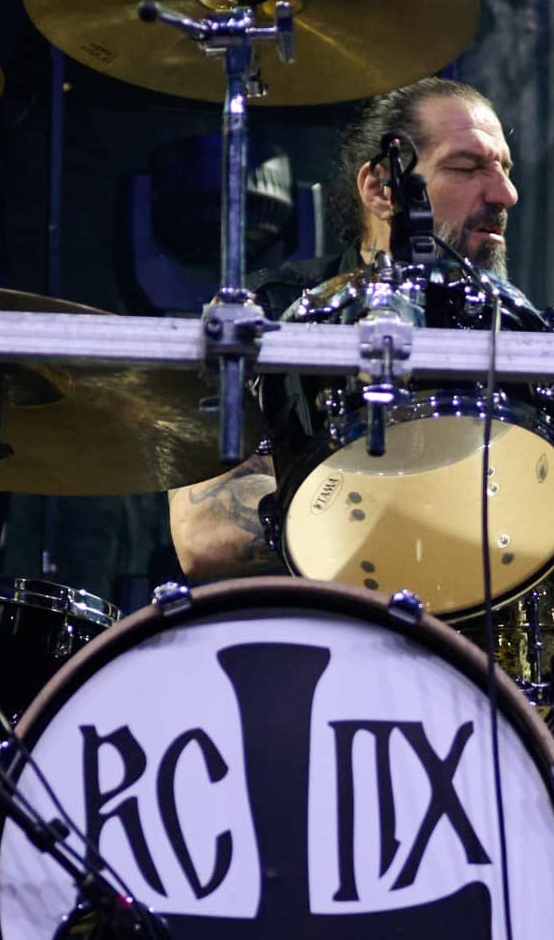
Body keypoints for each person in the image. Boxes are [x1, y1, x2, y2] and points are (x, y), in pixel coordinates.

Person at [167, 75, 518, 582]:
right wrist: (434, 521)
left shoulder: (520, 336)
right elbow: (208, 535)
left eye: (505, 169)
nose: (506, 194)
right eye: (466, 167)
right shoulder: (266, 313)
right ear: (380, 189)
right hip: (324, 625)